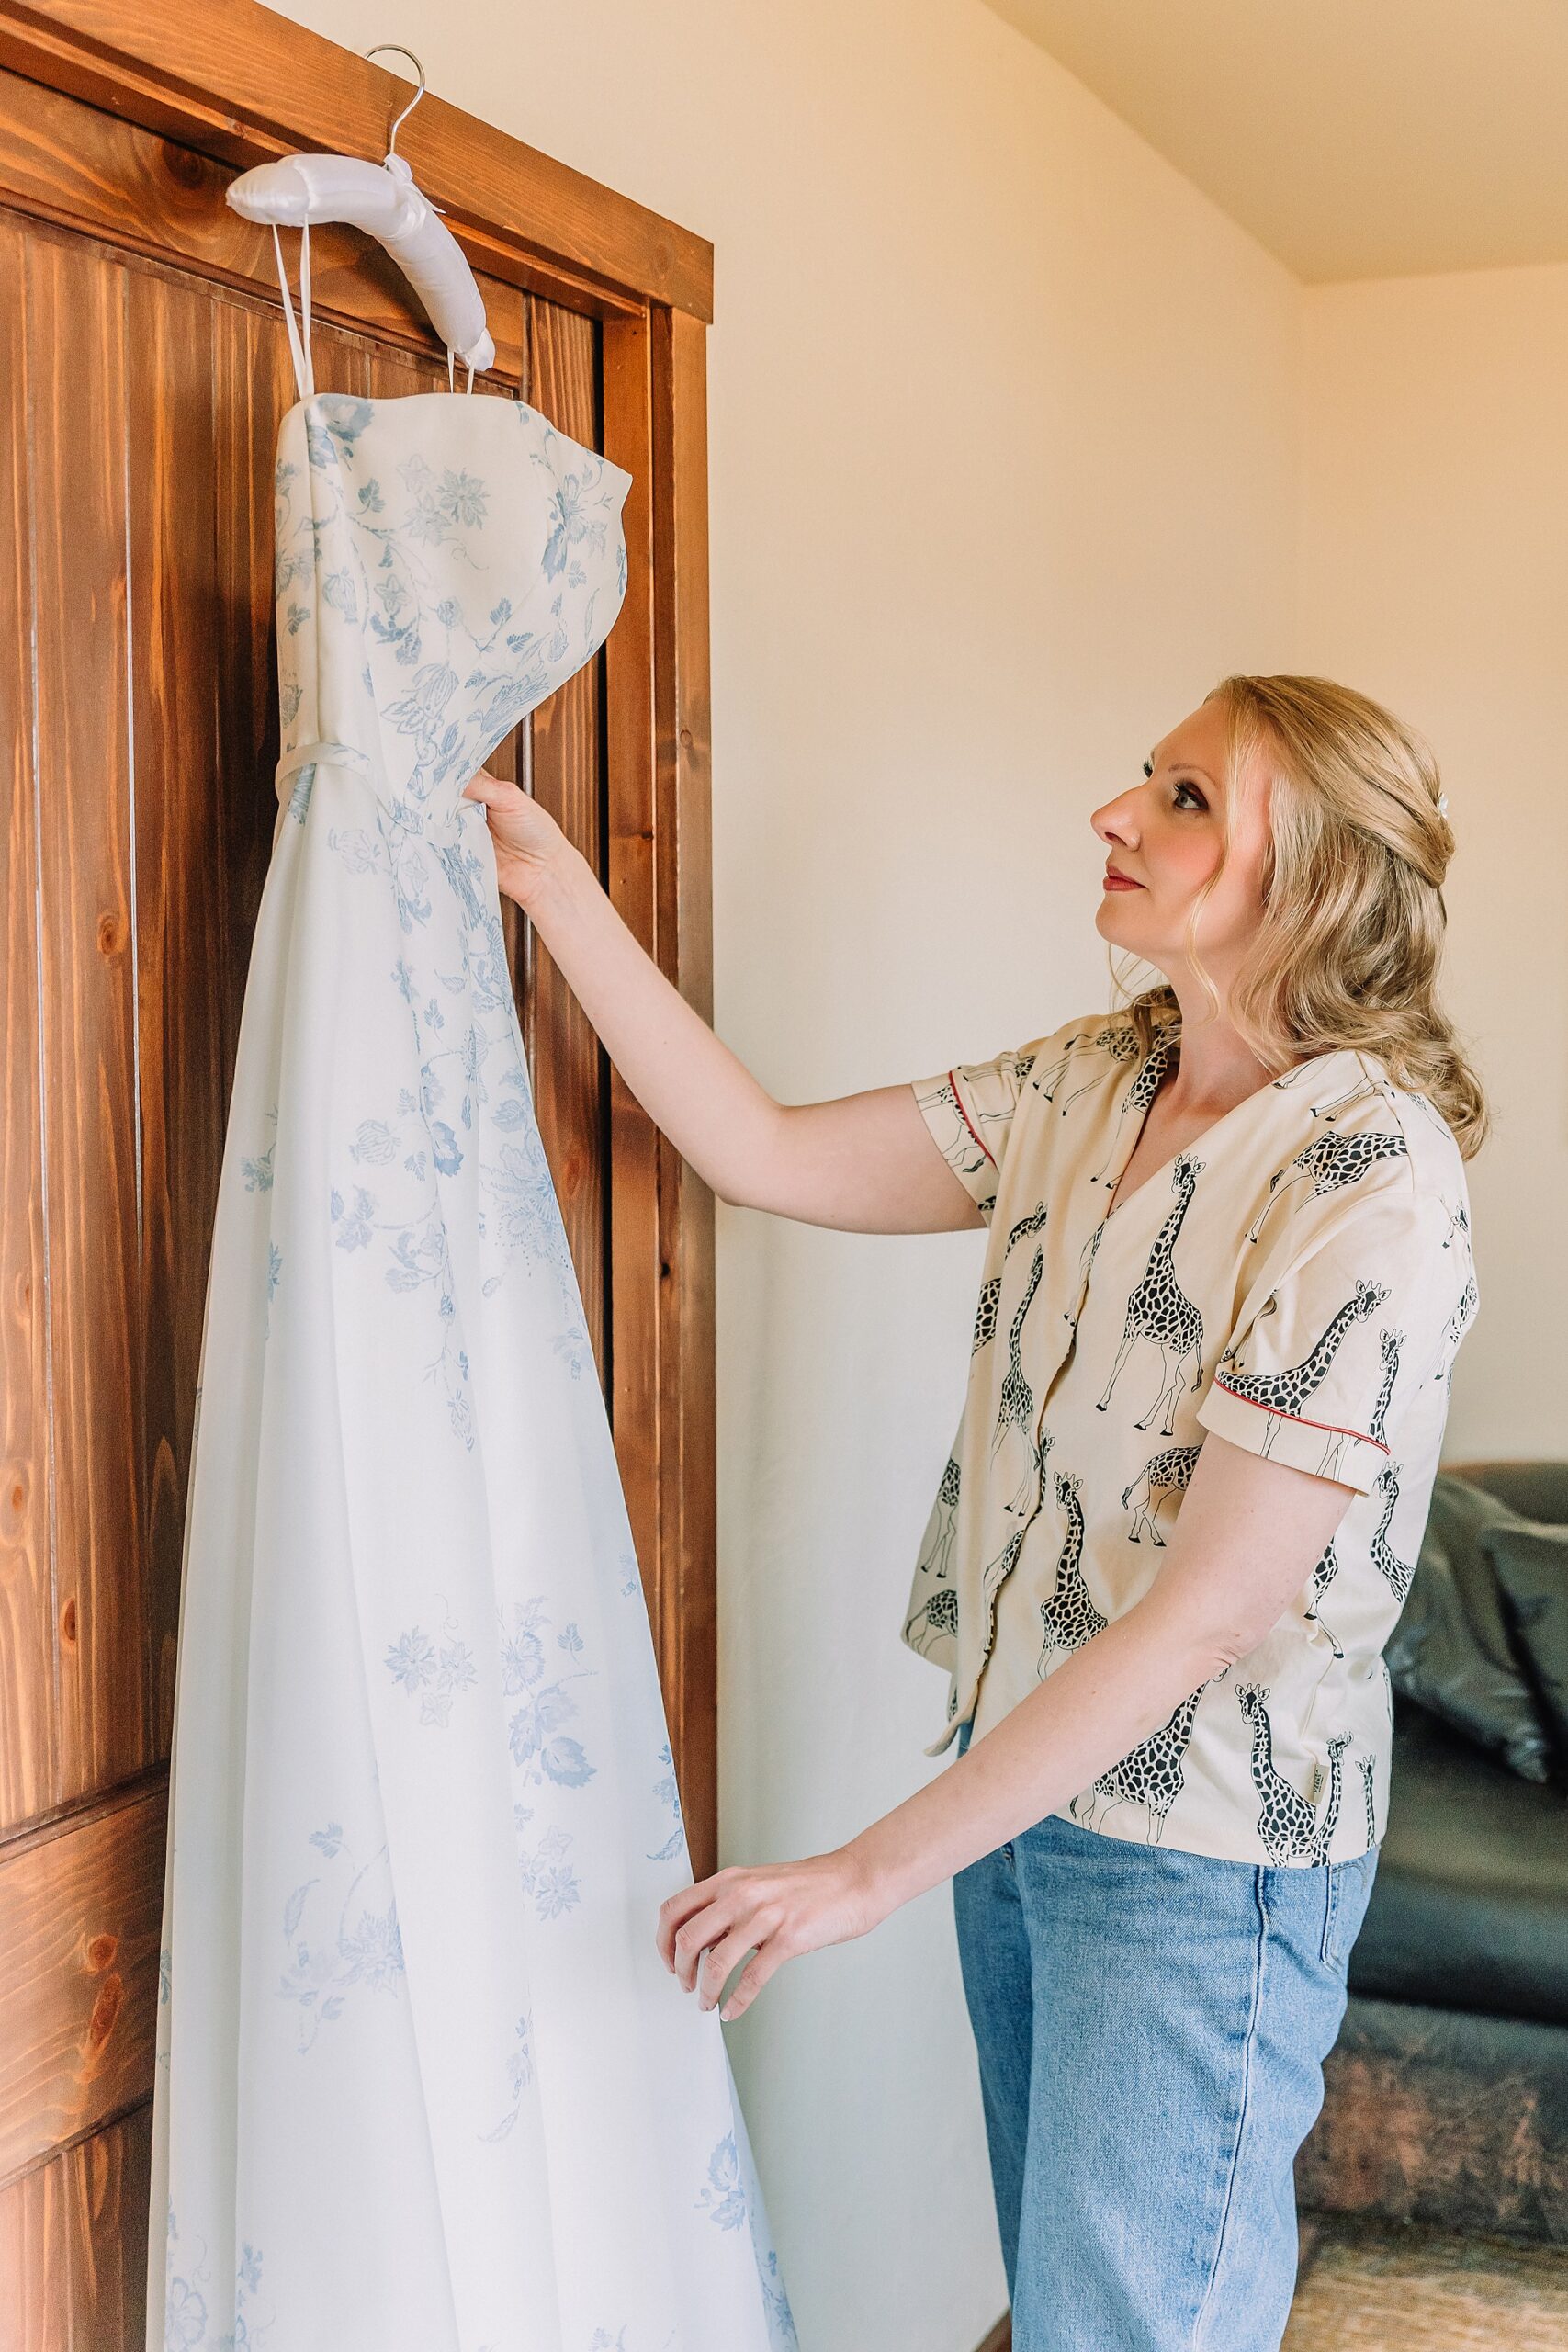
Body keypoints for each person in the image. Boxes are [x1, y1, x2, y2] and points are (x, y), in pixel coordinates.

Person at [463, 673, 1484, 2352]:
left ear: (1314, 879)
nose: (1116, 812)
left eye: (1186, 798)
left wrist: (862, 1875)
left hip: (1208, 1857)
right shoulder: (1097, 1080)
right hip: (1024, 1802)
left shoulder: (1372, 1178)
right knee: (1081, 2312)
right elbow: (766, 1151)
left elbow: (1215, 1610)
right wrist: (553, 888)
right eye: (1147, 780)